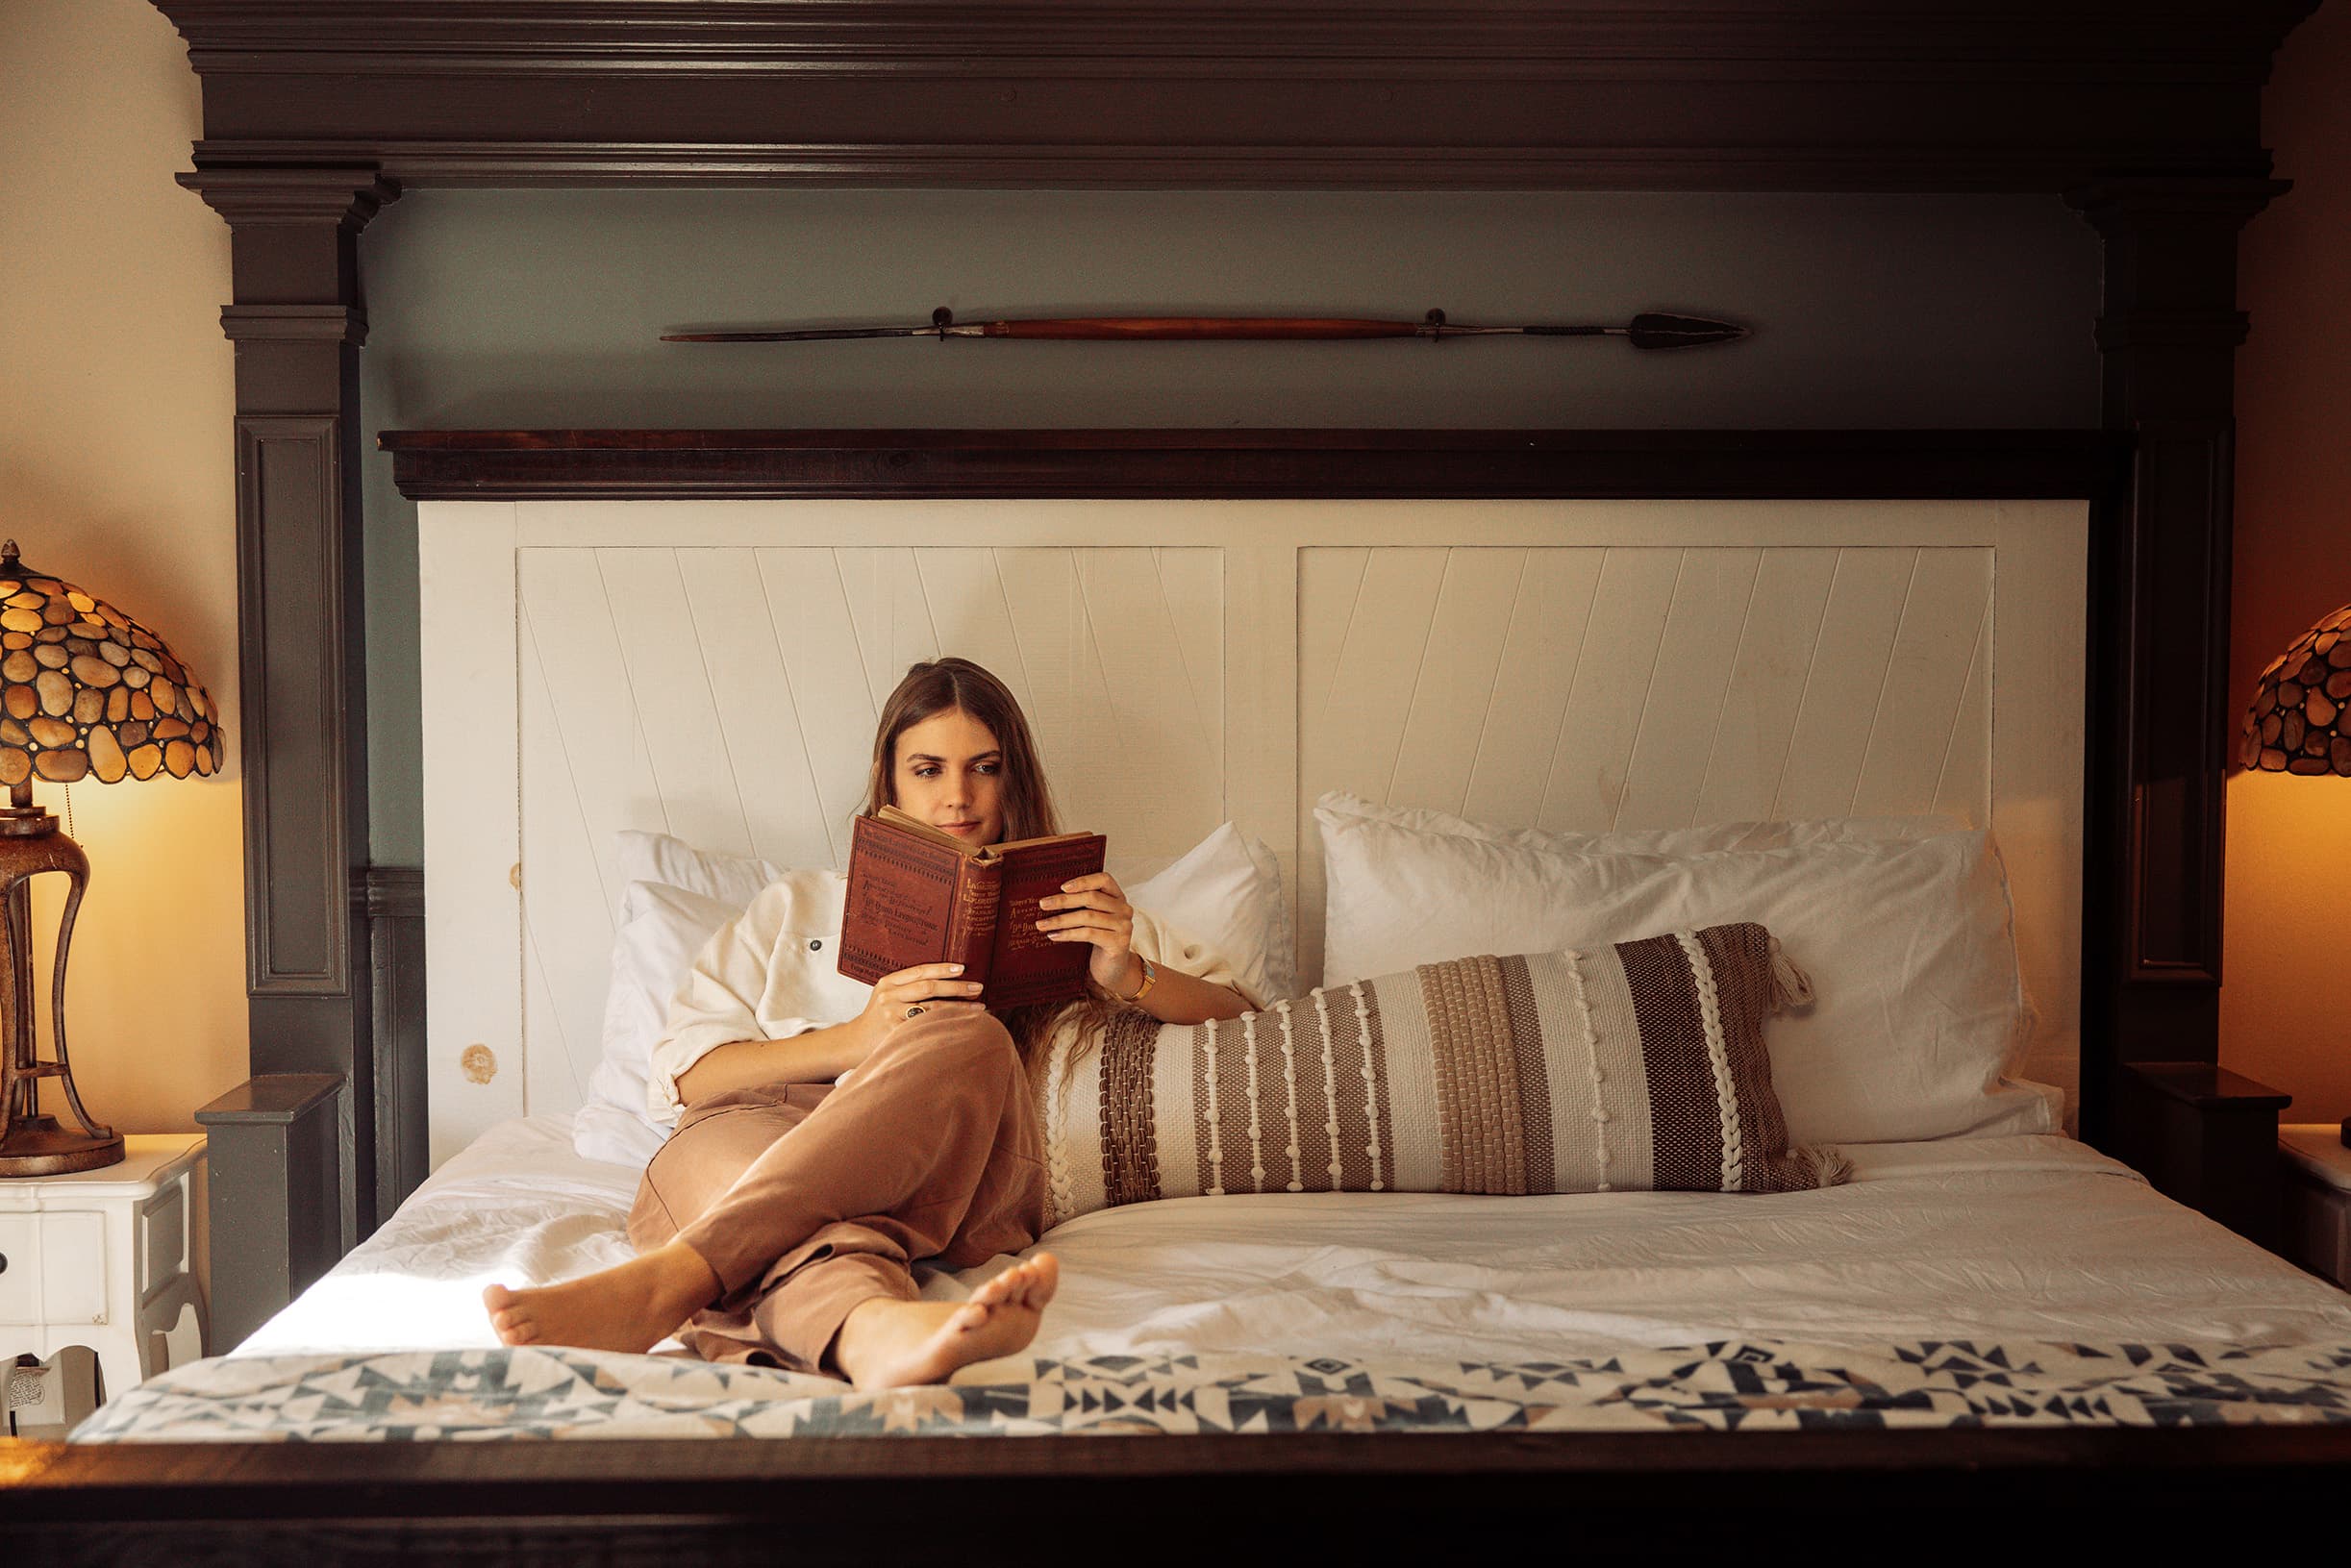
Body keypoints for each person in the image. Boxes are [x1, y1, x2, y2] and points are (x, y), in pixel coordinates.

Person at [484, 657, 1255, 1389]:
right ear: (887, 778)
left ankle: (673, 1279)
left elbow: (1242, 1016)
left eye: (983, 767)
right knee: (789, 1207)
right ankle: (874, 1331)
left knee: (969, 1032)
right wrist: (856, 1040)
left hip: (956, 1172)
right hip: (756, 1133)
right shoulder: (797, 903)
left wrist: (1126, 974)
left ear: (1012, 777)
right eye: (928, 769)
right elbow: (685, 1076)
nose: (957, 797)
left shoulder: (1075, 907)